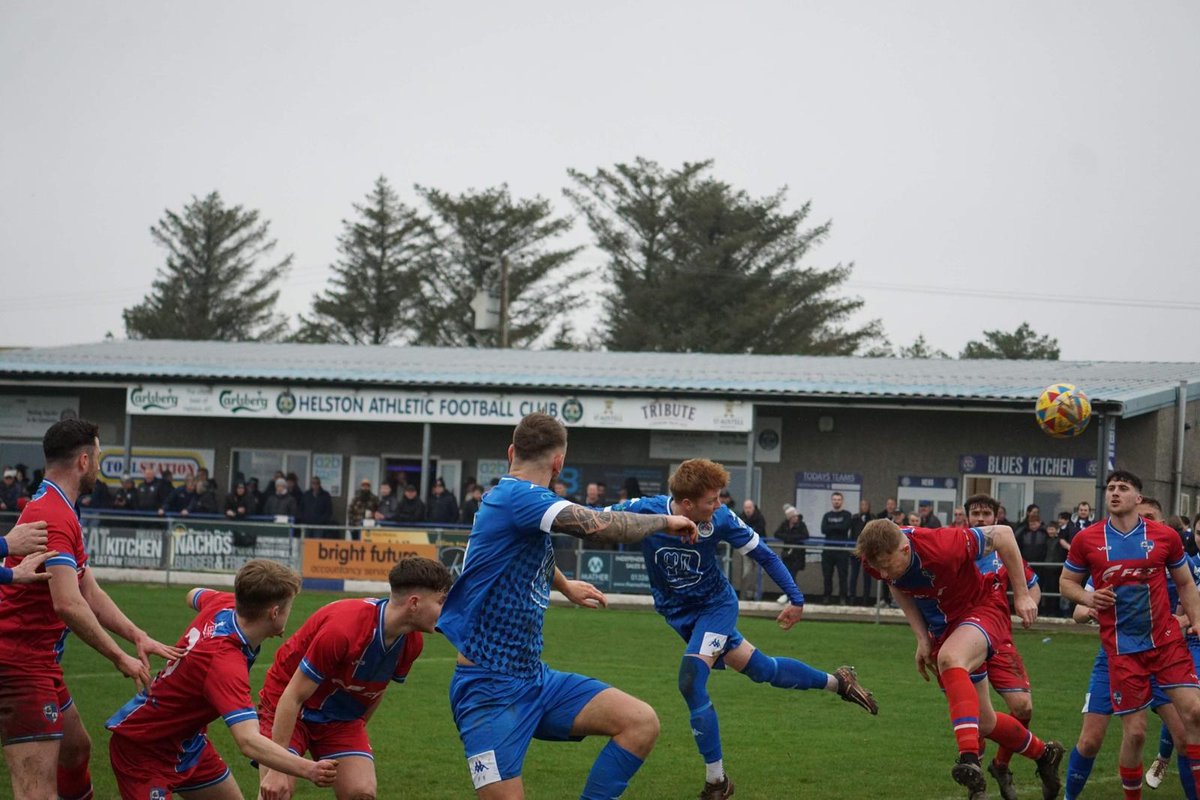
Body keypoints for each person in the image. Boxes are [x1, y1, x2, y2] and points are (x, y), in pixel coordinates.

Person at [436, 412, 700, 799]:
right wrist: (666, 520)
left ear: (512, 451)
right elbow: (601, 526)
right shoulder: (519, 497)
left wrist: (564, 585)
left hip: (534, 680)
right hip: (488, 690)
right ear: (559, 462)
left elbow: (522, 552)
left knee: (640, 722)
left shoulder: (511, 501)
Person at [614, 458, 877, 799]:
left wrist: (796, 598)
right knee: (764, 670)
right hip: (679, 614)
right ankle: (839, 682)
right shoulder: (645, 510)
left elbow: (764, 555)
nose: (720, 505)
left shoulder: (720, 519)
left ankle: (717, 782)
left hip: (716, 607)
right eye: (713, 500)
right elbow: (596, 519)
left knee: (691, 681)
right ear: (687, 504)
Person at [0, 419, 180, 800]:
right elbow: (67, 603)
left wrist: (136, 635)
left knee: (75, 750)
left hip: (39, 660)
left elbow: (87, 588)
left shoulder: (60, 507)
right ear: (83, 461)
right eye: (98, 456)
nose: (98, 464)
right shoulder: (54, 515)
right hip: (19, 663)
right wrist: (119, 657)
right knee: (37, 792)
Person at [856, 517, 1064, 800]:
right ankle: (1044, 753)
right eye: (877, 566)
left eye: (887, 564)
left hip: (981, 607)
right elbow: (896, 585)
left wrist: (1024, 595)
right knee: (984, 721)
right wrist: (921, 637)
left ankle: (969, 759)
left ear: (905, 549)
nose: (881, 571)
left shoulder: (943, 544)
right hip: (943, 626)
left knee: (950, 658)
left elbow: (1003, 535)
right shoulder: (877, 560)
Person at [106, 560, 338, 798]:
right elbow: (248, 741)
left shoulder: (225, 604)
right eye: (289, 607)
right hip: (144, 750)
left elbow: (193, 594)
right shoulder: (225, 663)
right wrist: (309, 769)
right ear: (275, 612)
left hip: (188, 744)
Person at [256, 557, 452, 800]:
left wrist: (352, 737)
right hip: (287, 704)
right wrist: (276, 768)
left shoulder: (412, 643)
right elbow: (292, 695)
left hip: (340, 719)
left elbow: (376, 691)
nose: (446, 610)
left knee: (361, 793)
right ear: (414, 603)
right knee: (278, 791)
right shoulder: (344, 629)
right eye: (441, 602)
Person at [1061, 471, 1200, 799]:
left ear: (1138, 498)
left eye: (1123, 488)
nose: (1114, 493)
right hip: (1121, 651)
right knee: (1131, 735)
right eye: (1110, 488)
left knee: (1194, 715)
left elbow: (1185, 583)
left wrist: (1195, 620)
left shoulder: (1165, 538)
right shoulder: (1088, 540)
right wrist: (1088, 598)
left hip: (1165, 644)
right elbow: (1067, 584)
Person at [966, 493, 1042, 800]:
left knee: (1023, 707)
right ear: (966, 517)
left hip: (1000, 639)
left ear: (997, 517)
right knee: (975, 714)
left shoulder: (1005, 551)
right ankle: (976, 785)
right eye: (975, 513)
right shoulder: (958, 549)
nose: (981, 519)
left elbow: (1033, 585)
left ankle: (1001, 764)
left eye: (986, 513)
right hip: (965, 639)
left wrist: (1029, 604)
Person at [820, 492, 852, 605]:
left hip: (842, 550)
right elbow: (824, 529)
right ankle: (826, 596)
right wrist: (837, 528)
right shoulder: (827, 515)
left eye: (838, 499)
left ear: (842, 501)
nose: (836, 501)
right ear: (831, 501)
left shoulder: (847, 515)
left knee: (843, 575)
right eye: (834, 499)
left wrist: (832, 527)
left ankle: (843, 597)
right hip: (828, 550)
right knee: (827, 575)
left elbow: (845, 528)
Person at [848, 499, 873, 605]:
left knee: (867, 576)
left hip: (868, 551)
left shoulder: (872, 518)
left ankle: (866, 599)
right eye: (862, 505)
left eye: (866, 505)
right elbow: (851, 534)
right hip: (856, 550)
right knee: (854, 574)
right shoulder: (854, 518)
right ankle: (852, 597)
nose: (864, 507)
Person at [774, 504, 808, 577]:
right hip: (787, 553)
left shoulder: (801, 525)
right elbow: (777, 534)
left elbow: (805, 535)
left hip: (797, 554)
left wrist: (792, 538)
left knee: (792, 575)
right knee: (787, 575)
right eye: (794, 516)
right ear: (789, 518)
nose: (796, 518)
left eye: (796, 516)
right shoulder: (785, 524)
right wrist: (787, 537)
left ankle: (792, 588)